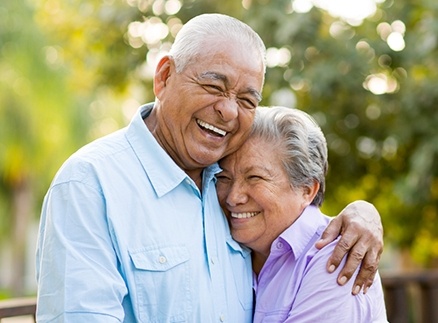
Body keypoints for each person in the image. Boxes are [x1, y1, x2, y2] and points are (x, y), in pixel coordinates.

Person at [35, 13, 383, 322]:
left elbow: (294, 208)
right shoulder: (90, 184)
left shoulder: (226, 186)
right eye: (213, 85)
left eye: (247, 100)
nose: (229, 111)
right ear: (165, 77)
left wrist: (363, 213)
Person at [216, 106, 388, 322]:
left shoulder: (337, 255)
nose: (233, 197)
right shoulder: (226, 247)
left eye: (255, 178)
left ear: (307, 189)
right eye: (223, 178)